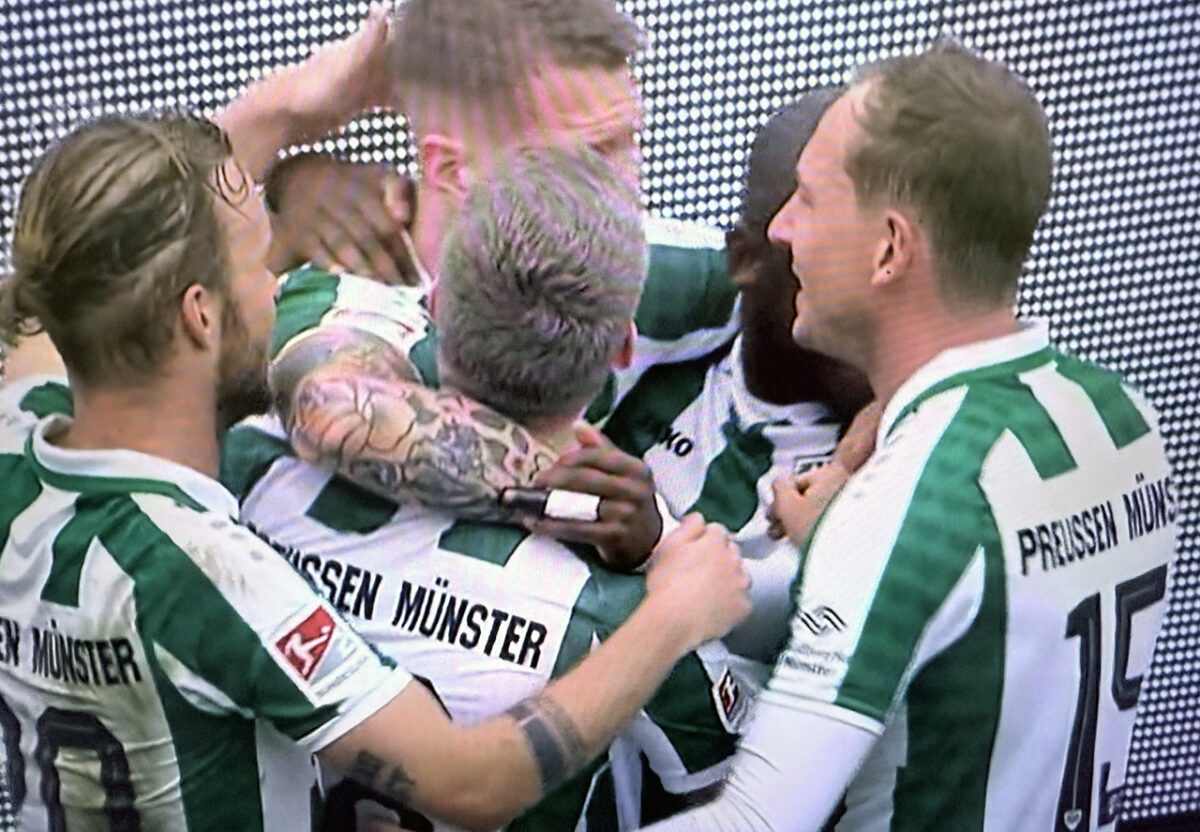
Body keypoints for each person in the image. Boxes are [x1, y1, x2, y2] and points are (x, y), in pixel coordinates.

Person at [0, 14, 750, 832]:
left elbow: (73, 283)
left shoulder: (15, 441)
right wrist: (669, 612)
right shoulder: (211, 575)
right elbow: (474, 782)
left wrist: (293, 106)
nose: (283, 285)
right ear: (200, 315)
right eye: (264, 265)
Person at [644, 40, 1177, 832]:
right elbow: (945, 620)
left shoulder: (909, 501)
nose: (783, 228)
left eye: (810, 199)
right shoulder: (1123, 418)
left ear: (890, 249)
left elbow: (753, 822)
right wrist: (667, 562)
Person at [225, 144, 751, 831]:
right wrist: (658, 538)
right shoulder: (646, 618)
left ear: (437, 300)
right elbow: (745, 800)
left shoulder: (253, 459)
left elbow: (319, 374)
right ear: (625, 348)